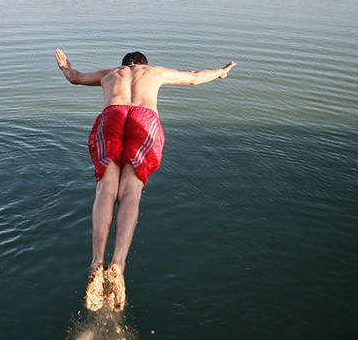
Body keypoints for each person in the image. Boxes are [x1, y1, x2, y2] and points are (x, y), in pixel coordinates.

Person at [55, 48, 236, 312]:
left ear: (124, 66)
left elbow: (75, 77)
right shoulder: (154, 72)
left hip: (112, 116)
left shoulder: (109, 74)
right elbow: (195, 77)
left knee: (106, 191)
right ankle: (118, 264)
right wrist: (220, 72)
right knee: (131, 193)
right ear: (143, 65)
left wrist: (64, 66)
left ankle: (96, 263)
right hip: (144, 119)